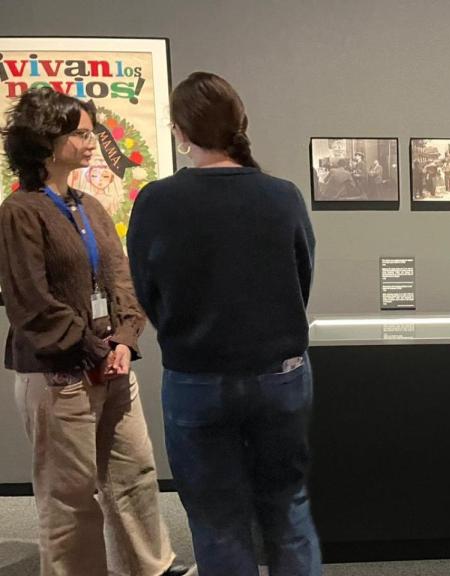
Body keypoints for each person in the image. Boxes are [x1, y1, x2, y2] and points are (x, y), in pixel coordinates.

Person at [126, 72, 320, 576]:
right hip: (280, 374)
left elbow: (145, 289)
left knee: (217, 521)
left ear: (180, 132)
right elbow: (301, 279)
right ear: (239, 124)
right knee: (288, 508)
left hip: (195, 379)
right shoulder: (282, 196)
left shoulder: (156, 201)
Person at [0, 87, 192, 576]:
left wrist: (125, 341)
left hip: (112, 363)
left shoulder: (90, 206)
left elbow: (120, 279)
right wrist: (92, 349)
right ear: (47, 140)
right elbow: (30, 303)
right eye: (81, 133)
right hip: (58, 373)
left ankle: (151, 566)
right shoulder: (20, 211)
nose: (91, 142)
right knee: (69, 492)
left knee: (134, 474)